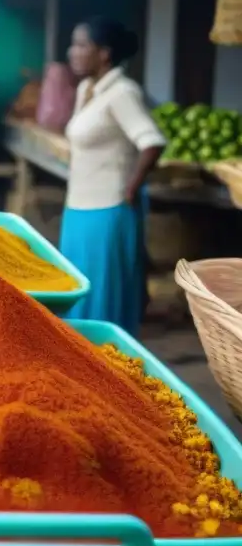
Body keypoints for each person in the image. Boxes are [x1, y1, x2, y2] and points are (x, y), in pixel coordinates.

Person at [60, 17, 165, 336]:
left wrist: (131, 188)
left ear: (104, 54)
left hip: (107, 211)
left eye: (81, 45)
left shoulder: (122, 92)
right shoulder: (87, 89)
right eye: (73, 44)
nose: (72, 52)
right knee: (77, 290)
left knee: (104, 299)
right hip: (78, 208)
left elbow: (152, 142)